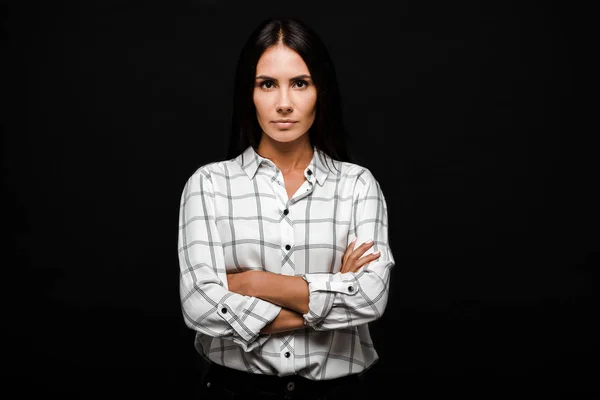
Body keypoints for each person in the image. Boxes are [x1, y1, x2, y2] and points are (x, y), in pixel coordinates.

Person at [177, 16, 395, 400]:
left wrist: (252, 283)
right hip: (234, 392)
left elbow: (370, 298)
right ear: (250, 93)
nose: (283, 103)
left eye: (299, 83)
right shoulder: (210, 185)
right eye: (267, 84)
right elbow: (199, 306)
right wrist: (330, 295)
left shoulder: (357, 185)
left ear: (320, 90)